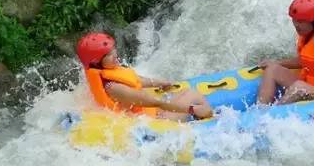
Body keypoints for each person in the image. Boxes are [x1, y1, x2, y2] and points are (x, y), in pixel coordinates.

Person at [76, 32, 213, 121]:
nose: (115, 55)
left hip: (149, 112)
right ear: (97, 62)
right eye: (109, 55)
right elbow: (154, 102)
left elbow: (136, 80)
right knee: (193, 95)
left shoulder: (107, 71)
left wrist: (158, 82)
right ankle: (208, 118)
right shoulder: (114, 88)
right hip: (155, 121)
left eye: (114, 50)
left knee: (186, 93)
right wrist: (192, 110)